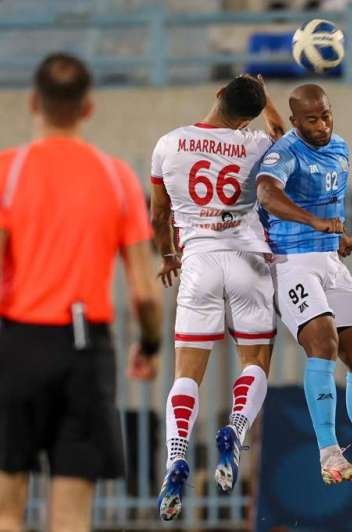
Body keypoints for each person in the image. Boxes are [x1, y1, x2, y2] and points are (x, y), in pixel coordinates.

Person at [151, 74, 330, 521]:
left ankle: (176, 456)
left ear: (218, 95)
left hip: (198, 263)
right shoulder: (257, 144)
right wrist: (268, 101)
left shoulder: (169, 144)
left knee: (187, 372)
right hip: (249, 261)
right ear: (250, 115)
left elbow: (158, 213)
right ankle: (235, 429)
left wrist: (169, 254)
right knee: (255, 362)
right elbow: (285, 136)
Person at [0, 53, 162, 532]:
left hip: (17, 346)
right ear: (88, 107)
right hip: (86, 351)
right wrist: (150, 345)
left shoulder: (8, 171)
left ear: (33, 102)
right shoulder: (117, 178)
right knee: (71, 518)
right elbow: (145, 293)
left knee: (6, 511)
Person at [256, 84, 352, 495]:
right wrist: (315, 223)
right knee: (323, 342)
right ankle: (329, 456)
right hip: (292, 263)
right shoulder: (284, 152)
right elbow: (267, 193)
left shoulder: (340, 147)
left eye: (326, 115)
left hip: (329, 259)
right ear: (296, 122)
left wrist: (336, 235)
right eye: (311, 119)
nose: (322, 125)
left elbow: (328, 201)